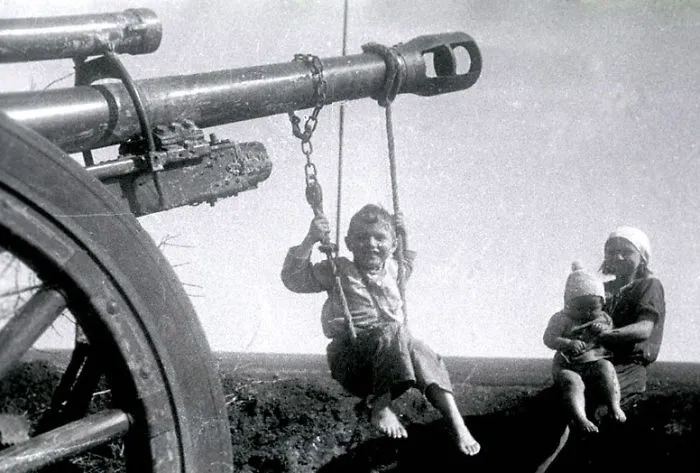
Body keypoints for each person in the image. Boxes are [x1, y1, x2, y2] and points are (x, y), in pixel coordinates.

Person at [280, 204, 481, 456]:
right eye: (362, 237)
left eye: (380, 238)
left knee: (419, 349)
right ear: (348, 242)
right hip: (353, 360)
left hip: (392, 364)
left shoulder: (395, 271)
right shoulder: (337, 270)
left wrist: (403, 232)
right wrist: (310, 239)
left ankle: (456, 422)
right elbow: (293, 279)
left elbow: (405, 259)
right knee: (393, 330)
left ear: (392, 245)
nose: (371, 244)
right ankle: (381, 406)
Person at [536, 226, 666, 472]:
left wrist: (608, 335)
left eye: (625, 252)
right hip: (589, 360)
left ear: (642, 257)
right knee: (553, 405)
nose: (617, 257)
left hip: (626, 365)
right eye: (611, 252)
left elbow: (643, 329)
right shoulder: (597, 288)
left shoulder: (648, 286)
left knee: (593, 409)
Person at [543, 261, 626, 434]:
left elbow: (610, 333)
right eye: (580, 308)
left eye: (593, 308)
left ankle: (614, 406)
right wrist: (567, 343)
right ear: (568, 304)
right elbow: (548, 338)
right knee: (572, 382)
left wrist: (604, 330)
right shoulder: (561, 318)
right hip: (567, 365)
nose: (587, 313)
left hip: (593, 362)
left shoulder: (603, 318)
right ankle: (580, 418)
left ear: (602, 304)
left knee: (607, 367)